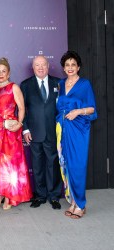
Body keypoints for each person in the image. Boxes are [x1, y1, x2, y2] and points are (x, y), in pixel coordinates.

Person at [0, 57, 32, 210]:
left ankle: (9, 197)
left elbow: (21, 108)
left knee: (9, 165)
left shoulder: (13, 87)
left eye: (4, 71)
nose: (1, 74)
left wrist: (20, 124)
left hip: (10, 132)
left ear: (8, 73)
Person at [56, 51, 97, 219]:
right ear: (64, 68)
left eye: (73, 65)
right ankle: (73, 201)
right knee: (66, 165)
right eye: (67, 65)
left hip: (79, 129)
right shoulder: (60, 84)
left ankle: (81, 204)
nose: (70, 68)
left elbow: (93, 109)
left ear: (78, 67)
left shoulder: (85, 84)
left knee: (78, 166)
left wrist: (78, 111)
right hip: (62, 128)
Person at [20, 56, 63, 209]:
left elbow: (63, 107)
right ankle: (40, 195)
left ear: (48, 66)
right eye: (37, 65)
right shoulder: (25, 85)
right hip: (34, 132)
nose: (40, 68)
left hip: (53, 132)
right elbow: (21, 109)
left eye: (43, 65)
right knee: (37, 165)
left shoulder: (58, 83)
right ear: (33, 67)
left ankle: (54, 196)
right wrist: (25, 128)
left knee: (53, 164)